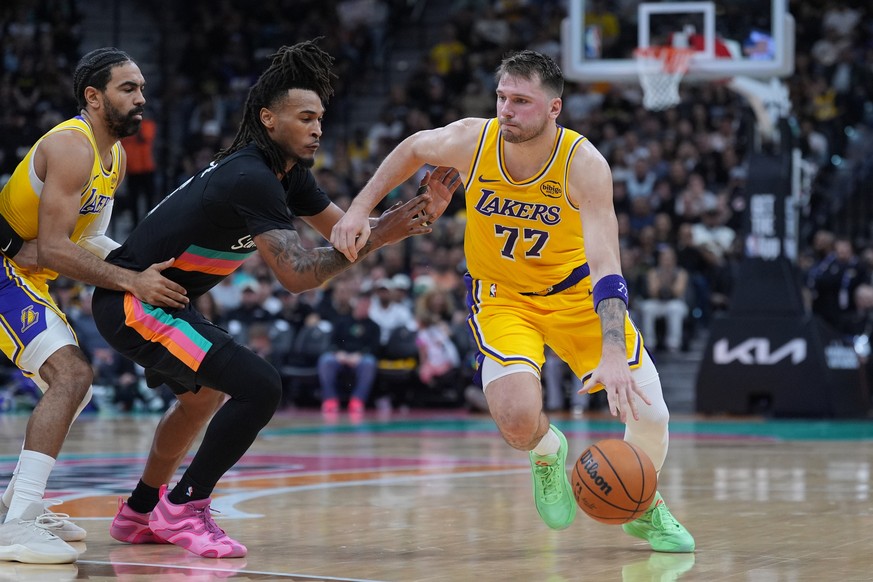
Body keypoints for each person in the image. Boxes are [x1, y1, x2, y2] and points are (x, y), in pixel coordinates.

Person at [90, 41, 459, 559]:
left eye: (321, 118)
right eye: (305, 117)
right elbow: (297, 274)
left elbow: (347, 235)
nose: (317, 128)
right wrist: (381, 236)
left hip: (166, 301)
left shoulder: (289, 177)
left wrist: (414, 213)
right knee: (259, 385)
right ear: (268, 118)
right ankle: (184, 508)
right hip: (133, 299)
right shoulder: (251, 176)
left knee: (201, 399)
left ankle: (138, 512)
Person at [331, 49, 695, 553]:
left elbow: (607, 266)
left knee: (650, 414)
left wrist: (613, 352)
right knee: (518, 420)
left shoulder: (583, 164)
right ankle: (547, 452)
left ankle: (642, 505)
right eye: (502, 97)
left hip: (574, 298)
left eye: (521, 100)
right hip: (502, 299)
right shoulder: (471, 141)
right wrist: (357, 209)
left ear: (553, 109)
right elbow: (415, 147)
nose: (506, 109)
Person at [0, 47, 188, 564]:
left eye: (142, 88)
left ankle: (21, 501)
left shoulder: (117, 157)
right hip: (5, 269)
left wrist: (147, 266)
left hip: (28, 274)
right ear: (93, 96)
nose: (141, 98)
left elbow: (91, 241)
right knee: (72, 378)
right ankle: (16, 524)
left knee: (75, 388)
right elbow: (59, 248)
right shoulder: (70, 146)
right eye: (128, 88)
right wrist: (132, 279)